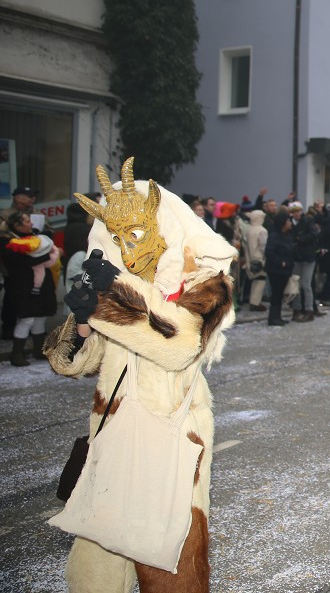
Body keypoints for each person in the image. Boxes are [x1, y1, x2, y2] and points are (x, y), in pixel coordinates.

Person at [45, 158, 236, 591]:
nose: (127, 247)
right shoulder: (117, 287)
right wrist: (80, 327)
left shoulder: (207, 282)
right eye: (115, 238)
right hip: (113, 429)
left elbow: (180, 345)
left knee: (171, 552)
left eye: (135, 233)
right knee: (100, 550)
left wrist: (111, 299)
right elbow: (79, 361)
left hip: (173, 434)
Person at [2, 214, 60, 365]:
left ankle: (38, 350)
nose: (31, 223)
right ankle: (17, 354)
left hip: (42, 286)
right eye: (27, 221)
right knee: (26, 320)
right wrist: (49, 255)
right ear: (17, 226)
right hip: (23, 286)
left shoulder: (35, 236)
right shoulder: (8, 241)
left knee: (40, 319)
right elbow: (23, 261)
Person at [289, 201, 320, 321]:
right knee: (295, 284)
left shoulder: (307, 221)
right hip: (296, 257)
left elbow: (313, 235)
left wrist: (300, 239)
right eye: (294, 212)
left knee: (306, 284)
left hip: (308, 257)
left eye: (298, 211)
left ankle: (309, 310)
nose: (297, 214)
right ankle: (296, 309)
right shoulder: (290, 223)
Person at [264, 210, 295, 326]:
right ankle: (273, 317)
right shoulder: (275, 235)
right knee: (276, 294)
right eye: (288, 221)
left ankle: (277, 316)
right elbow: (269, 252)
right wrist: (280, 262)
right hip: (276, 270)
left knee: (279, 294)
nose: (290, 223)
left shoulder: (287, 235)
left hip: (285, 269)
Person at [244, 209, 269, 312]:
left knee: (255, 279)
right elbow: (263, 246)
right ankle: (255, 302)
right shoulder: (262, 230)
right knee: (261, 280)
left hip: (249, 257)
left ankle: (253, 301)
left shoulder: (249, 229)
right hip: (259, 257)